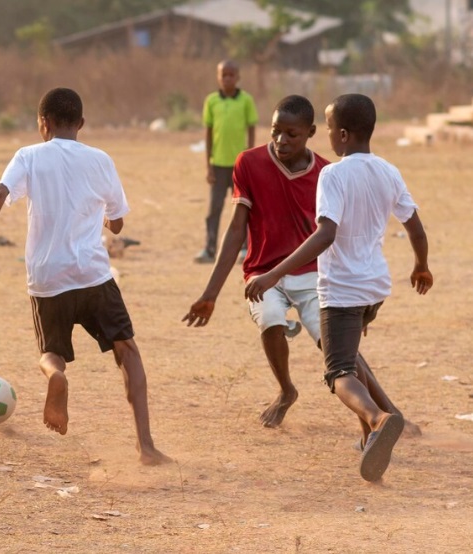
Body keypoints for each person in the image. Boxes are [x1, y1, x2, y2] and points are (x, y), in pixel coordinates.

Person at [0, 87, 171, 466]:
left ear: (43, 124)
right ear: (81, 124)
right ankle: (146, 446)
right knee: (127, 350)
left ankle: (56, 375)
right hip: (93, 274)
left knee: (51, 353)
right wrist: (105, 218)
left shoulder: (29, 156)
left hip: (48, 277)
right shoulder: (100, 159)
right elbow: (117, 223)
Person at [183, 95, 408, 436]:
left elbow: (334, 235)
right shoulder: (249, 163)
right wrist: (210, 294)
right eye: (275, 131)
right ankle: (287, 389)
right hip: (263, 273)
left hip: (312, 276)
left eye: (291, 134)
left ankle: (388, 414)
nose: (280, 140)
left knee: (336, 350)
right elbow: (234, 231)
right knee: (271, 319)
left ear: (312, 133)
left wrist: (355, 298)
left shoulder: (325, 172)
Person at [244, 93, 432, 482]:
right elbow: (414, 225)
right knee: (350, 354)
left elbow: (325, 233)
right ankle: (368, 442)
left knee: (340, 372)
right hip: (374, 289)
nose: (327, 136)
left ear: (342, 134)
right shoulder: (388, 170)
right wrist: (421, 267)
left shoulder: (333, 174)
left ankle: (377, 420)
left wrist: (274, 273)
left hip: (342, 290)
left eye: (328, 129)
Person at [196, 59, 258, 264]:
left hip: (239, 165)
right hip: (218, 165)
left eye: (231, 74)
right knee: (214, 209)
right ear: (218, 77)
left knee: (242, 208)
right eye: (224, 74)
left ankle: (244, 249)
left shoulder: (246, 100)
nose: (227, 78)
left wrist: (249, 159)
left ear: (238, 77)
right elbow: (208, 133)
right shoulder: (212, 101)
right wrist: (208, 166)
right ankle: (210, 248)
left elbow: (251, 129)